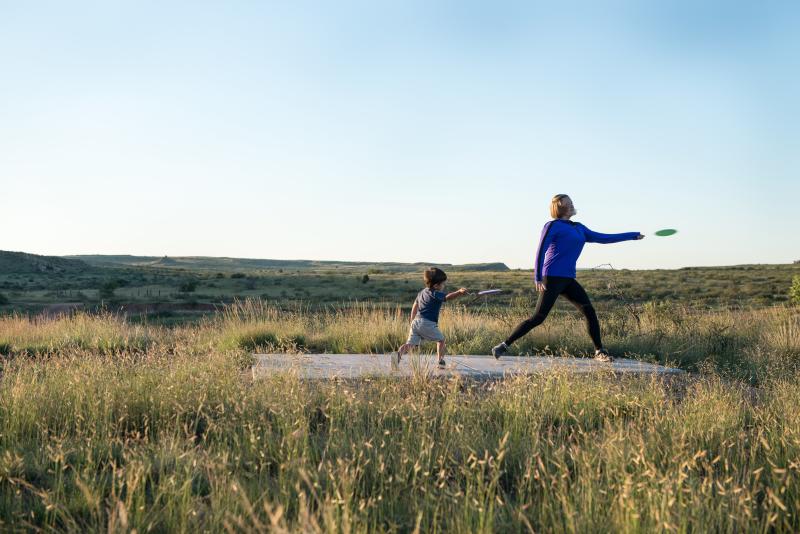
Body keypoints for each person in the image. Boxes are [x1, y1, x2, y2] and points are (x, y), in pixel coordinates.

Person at [491, 194, 644, 362]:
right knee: (538, 318)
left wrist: (632, 235)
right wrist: (537, 277)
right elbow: (540, 249)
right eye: (567, 204)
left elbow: (604, 238)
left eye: (572, 203)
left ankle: (600, 351)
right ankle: (503, 345)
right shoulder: (552, 226)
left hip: (568, 279)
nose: (572, 206)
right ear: (559, 208)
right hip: (552, 277)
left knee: (589, 311)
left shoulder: (579, 228)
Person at [392, 267, 468, 368]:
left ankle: (397, 355)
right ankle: (440, 361)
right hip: (427, 323)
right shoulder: (435, 293)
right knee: (441, 340)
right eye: (443, 284)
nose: (443, 286)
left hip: (416, 322)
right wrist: (459, 292)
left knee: (410, 345)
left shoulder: (422, 292)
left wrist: (412, 320)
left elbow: (415, 305)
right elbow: (447, 297)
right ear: (436, 285)